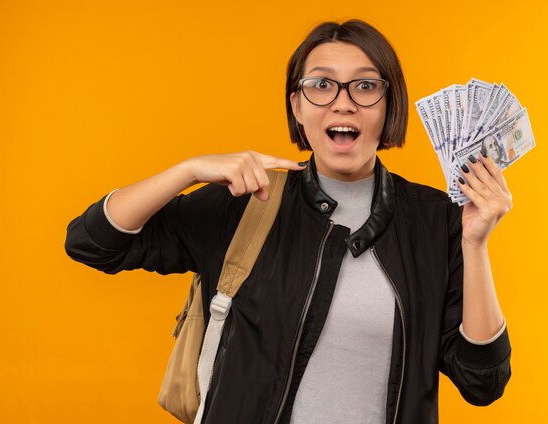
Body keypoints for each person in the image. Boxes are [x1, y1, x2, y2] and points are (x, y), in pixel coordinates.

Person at [65, 19, 512, 424]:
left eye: (365, 87)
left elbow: (482, 383)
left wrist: (475, 244)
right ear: (296, 106)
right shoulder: (246, 202)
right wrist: (188, 170)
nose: (343, 104)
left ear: (388, 105)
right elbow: (92, 242)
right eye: (321, 85)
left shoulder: (436, 221)